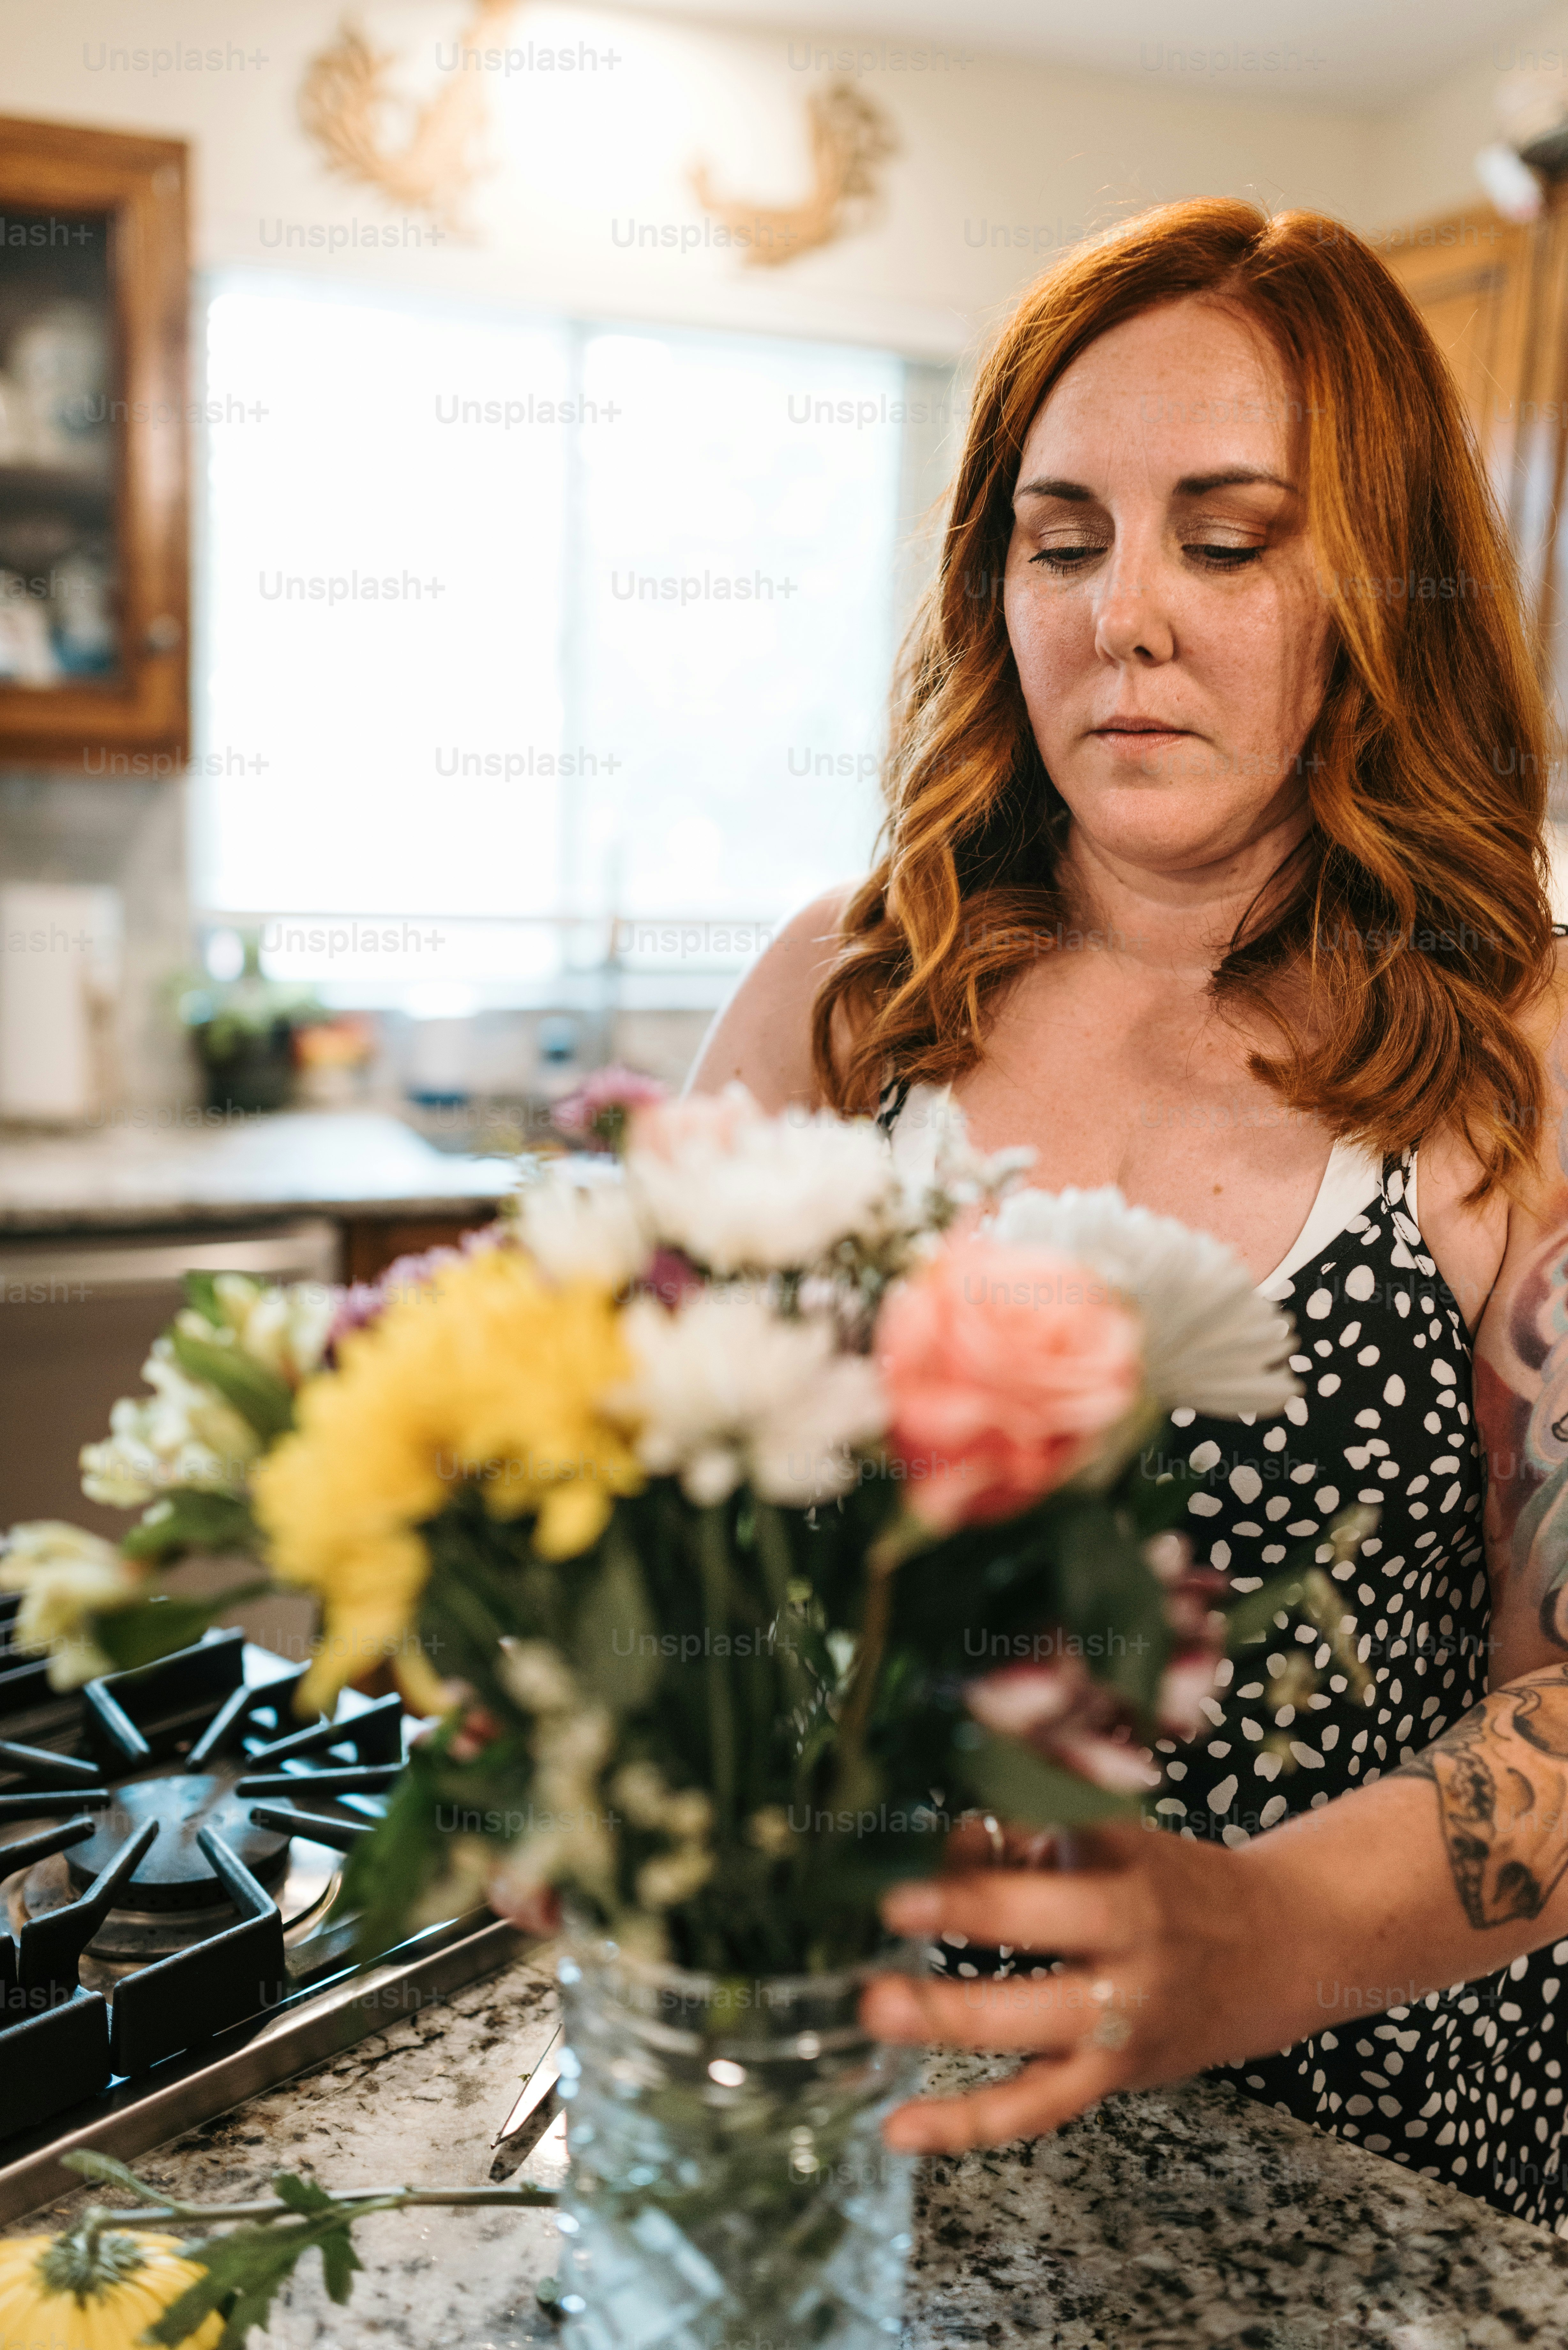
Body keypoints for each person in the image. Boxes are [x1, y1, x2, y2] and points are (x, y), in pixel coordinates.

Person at [688, 197, 1568, 2227]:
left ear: (1381, 586)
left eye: (1229, 541)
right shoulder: (851, 997)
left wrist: (1257, 1932)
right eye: (1063, 541)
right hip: (870, 2127)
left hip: (1366, 2176)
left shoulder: (1515, 1048)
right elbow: (629, 1510)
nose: (1125, 620)